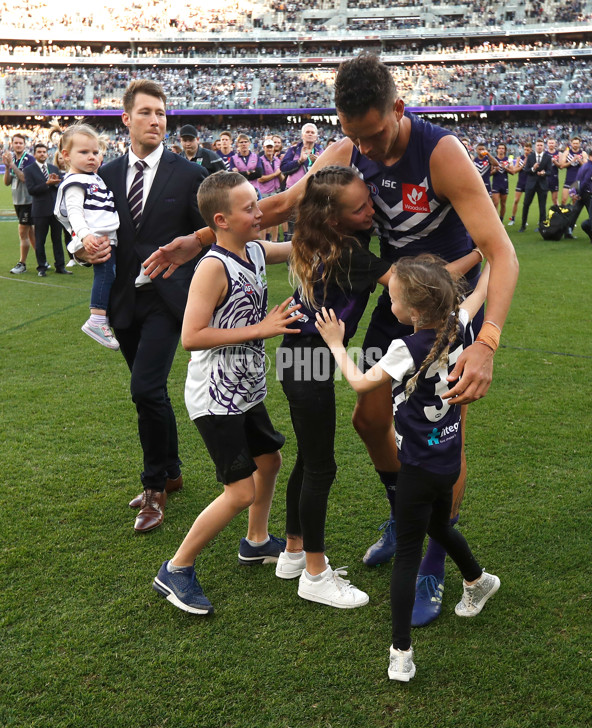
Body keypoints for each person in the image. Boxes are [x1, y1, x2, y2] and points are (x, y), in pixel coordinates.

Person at [142, 55, 518, 624]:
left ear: (398, 109)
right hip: (397, 295)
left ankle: (431, 564)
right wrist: (197, 240)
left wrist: (486, 341)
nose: (362, 150)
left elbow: (502, 252)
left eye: (371, 135)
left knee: (439, 431)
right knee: (368, 421)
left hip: (448, 304)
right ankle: (403, 515)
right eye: (351, 136)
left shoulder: (442, 155)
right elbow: (274, 207)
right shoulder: (345, 153)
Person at [275, 166, 485, 609]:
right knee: (319, 469)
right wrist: (480, 255)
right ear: (336, 219)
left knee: (309, 461)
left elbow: (283, 246)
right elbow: (419, 285)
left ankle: (293, 553)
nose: (374, 208)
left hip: (296, 356)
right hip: (310, 359)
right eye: (361, 207)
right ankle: (313, 571)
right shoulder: (350, 252)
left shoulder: (323, 238)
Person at [316, 254, 500, 682]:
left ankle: (401, 652)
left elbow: (361, 383)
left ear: (414, 312)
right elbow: (480, 291)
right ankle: (477, 579)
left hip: (415, 465)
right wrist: (493, 253)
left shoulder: (404, 347)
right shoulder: (461, 322)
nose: (389, 300)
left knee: (408, 556)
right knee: (439, 526)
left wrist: (336, 344)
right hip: (448, 459)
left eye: (393, 297)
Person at [152, 171, 303, 615]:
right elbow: (192, 336)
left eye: (257, 204)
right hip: (215, 397)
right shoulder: (212, 267)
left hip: (245, 389)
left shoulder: (254, 250)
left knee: (270, 461)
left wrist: (338, 234)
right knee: (240, 491)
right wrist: (263, 328)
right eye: (250, 208)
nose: (261, 213)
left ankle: (256, 542)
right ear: (222, 219)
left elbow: (297, 249)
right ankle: (176, 569)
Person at [80, 79, 207, 533]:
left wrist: (192, 281)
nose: (157, 120)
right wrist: (82, 251)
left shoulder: (190, 174)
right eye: (147, 112)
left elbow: (208, 240)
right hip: (122, 302)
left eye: (161, 112)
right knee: (149, 392)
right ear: (126, 119)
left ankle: (154, 486)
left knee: (144, 389)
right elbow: (88, 232)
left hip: (167, 302)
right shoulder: (106, 176)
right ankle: (171, 471)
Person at [54, 124, 120, 349]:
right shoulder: (75, 182)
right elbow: (75, 213)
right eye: (84, 152)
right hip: (96, 238)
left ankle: (103, 315)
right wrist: (84, 236)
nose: (92, 157)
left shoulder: (93, 177)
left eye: (95, 152)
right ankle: (97, 319)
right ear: (66, 155)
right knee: (105, 274)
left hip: (106, 236)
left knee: (111, 273)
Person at [24, 142, 71, 277]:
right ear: (35, 154)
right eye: (39, 152)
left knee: (57, 239)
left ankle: (60, 266)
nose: (42, 154)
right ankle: (42, 268)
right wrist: (47, 184)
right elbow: (31, 190)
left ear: (47, 153)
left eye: (44, 152)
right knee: (40, 240)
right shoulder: (29, 170)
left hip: (54, 210)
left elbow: (59, 188)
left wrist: (56, 184)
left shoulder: (53, 168)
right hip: (40, 211)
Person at [3, 133, 36, 275]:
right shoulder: (12, 160)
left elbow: (24, 178)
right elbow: (6, 182)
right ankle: (43, 260)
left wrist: (12, 165)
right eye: (15, 143)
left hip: (28, 200)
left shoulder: (29, 159)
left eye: (20, 143)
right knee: (30, 233)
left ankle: (22, 263)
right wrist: (6, 167)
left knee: (22, 232)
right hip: (17, 200)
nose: (18, 145)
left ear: (25, 144)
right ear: (12, 144)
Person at [519, 139, 553, 233]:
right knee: (526, 204)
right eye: (538, 145)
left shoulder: (547, 157)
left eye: (541, 145)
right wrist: (533, 169)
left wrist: (544, 173)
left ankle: (541, 226)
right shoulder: (530, 157)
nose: (539, 147)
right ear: (535, 146)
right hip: (531, 184)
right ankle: (523, 225)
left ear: (543, 146)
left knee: (542, 206)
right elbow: (526, 170)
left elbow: (550, 171)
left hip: (542, 184)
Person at [280, 123, 323, 190]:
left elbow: (327, 172)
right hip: (293, 190)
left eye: (312, 132)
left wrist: (319, 163)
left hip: (314, 190)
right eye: (307, 132)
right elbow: (283, 169)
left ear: (316, 137)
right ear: (302, 136)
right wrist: (299, 161)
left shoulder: (321, 152)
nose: (310, 134)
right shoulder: (293, 150)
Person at [257, 137, 283, 241]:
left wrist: (279, 174)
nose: (269, 149)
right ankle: (263, 241)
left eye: (271, 147)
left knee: (275, 219)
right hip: (264, 192)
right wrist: (275, 174)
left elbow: (281, 177)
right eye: (267, 147)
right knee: (263, 218)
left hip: (275, 190)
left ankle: (274, 241)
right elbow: (261, 179)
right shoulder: (260, 160)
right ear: (264, 148)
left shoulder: (277, 160)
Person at [508, 141, 532, 226]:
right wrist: (523, 165)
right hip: (520, 182)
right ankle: (512, 219)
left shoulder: (533, 158)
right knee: (516, 200)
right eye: (525, 149)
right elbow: (514, 170)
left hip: (529, 183)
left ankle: (524, 220)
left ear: (531, 150)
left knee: (526, 203)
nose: (526, 151)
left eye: (528, 150)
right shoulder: (519, 158)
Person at [560, 136, 588, 205]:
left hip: (578, 180)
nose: (575, 145)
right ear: (571, 143)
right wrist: (571, 161)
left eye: (577, 143)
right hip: (568, 179)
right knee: (563, 200)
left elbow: (587, 167)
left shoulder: (583, 153)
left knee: (575, 201)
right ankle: (563, 215)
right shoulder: (567, 153)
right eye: (574, 143)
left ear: (579, 144)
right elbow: (562, 166)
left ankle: (573, 215)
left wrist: (579, 160)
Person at [491, 143, 514, 222]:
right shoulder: (493, 160)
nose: (501, 150)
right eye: (499, 148)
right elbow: (489, 173)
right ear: (497, 150)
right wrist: (494, 170)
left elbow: (513, 172)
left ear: (505, 150)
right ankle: (495, 221)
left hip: (504, 184)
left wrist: (505, 168)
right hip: (496, 183)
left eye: (503, 148)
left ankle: (501, 220)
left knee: (503, 204)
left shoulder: (508, 160)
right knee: (495, 203)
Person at [546, 138, 561, 208]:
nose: (551, 144)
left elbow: (561, 166)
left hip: (554, 177)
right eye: (550, 143)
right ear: (547, 144)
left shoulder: (559, 154)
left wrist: (555, 162)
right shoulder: (544, 154)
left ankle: (558, 215)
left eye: (552, 143)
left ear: (555, 144)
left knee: (555, 199)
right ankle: (542, 217)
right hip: (545, 178)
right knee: (543, 199)